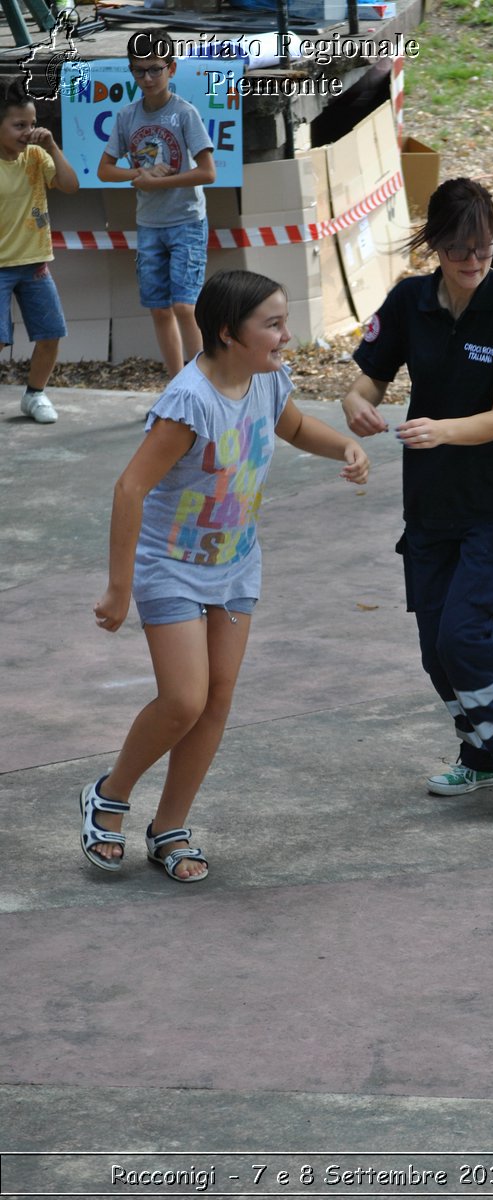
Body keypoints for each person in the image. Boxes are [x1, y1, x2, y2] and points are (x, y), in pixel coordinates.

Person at [80, 269, 369, 880]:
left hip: (234, 563)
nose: (286, 336)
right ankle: (110, 794)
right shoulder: (192, 402)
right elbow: (131, 487)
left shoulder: (265, 381)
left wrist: (342, 445)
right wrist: (119, 585)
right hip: (172, 567)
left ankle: (170, 828)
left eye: (284, 321)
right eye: (272, 325)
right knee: (184, 698)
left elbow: (292, 427)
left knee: (216, 701)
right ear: (226, 334)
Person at [342, 177, 493, 820]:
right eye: (460, 247)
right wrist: (356, 407)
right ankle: (481, 753)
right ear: (435, 243)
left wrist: (438, 431)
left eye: (483, 246)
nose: (473, 259)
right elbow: (366, 383)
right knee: (436, 648)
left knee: (465, 635)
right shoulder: (409, 301)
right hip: (431, 506)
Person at [97, 29, 216, 379]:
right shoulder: (126, 116)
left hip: (186, 221)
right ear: (131, 71)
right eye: (139, 70)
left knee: (184, 305)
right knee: (159, 309)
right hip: (149, 224)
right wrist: (139, 174)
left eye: (155, 69)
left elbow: (208, 173)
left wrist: (158, 180)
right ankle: (179, 384)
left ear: (172, 69)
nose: (147, 78)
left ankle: (202, 383)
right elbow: (105, 170)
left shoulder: (184, 113)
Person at [0, 76, 79, 424]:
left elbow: (70, 185)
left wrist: (52, 148)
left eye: (32, 124)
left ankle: (35, 395)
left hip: (34, 263)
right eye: (19, 125)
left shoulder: (35, 156)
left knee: (50, 334)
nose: (28, 132)